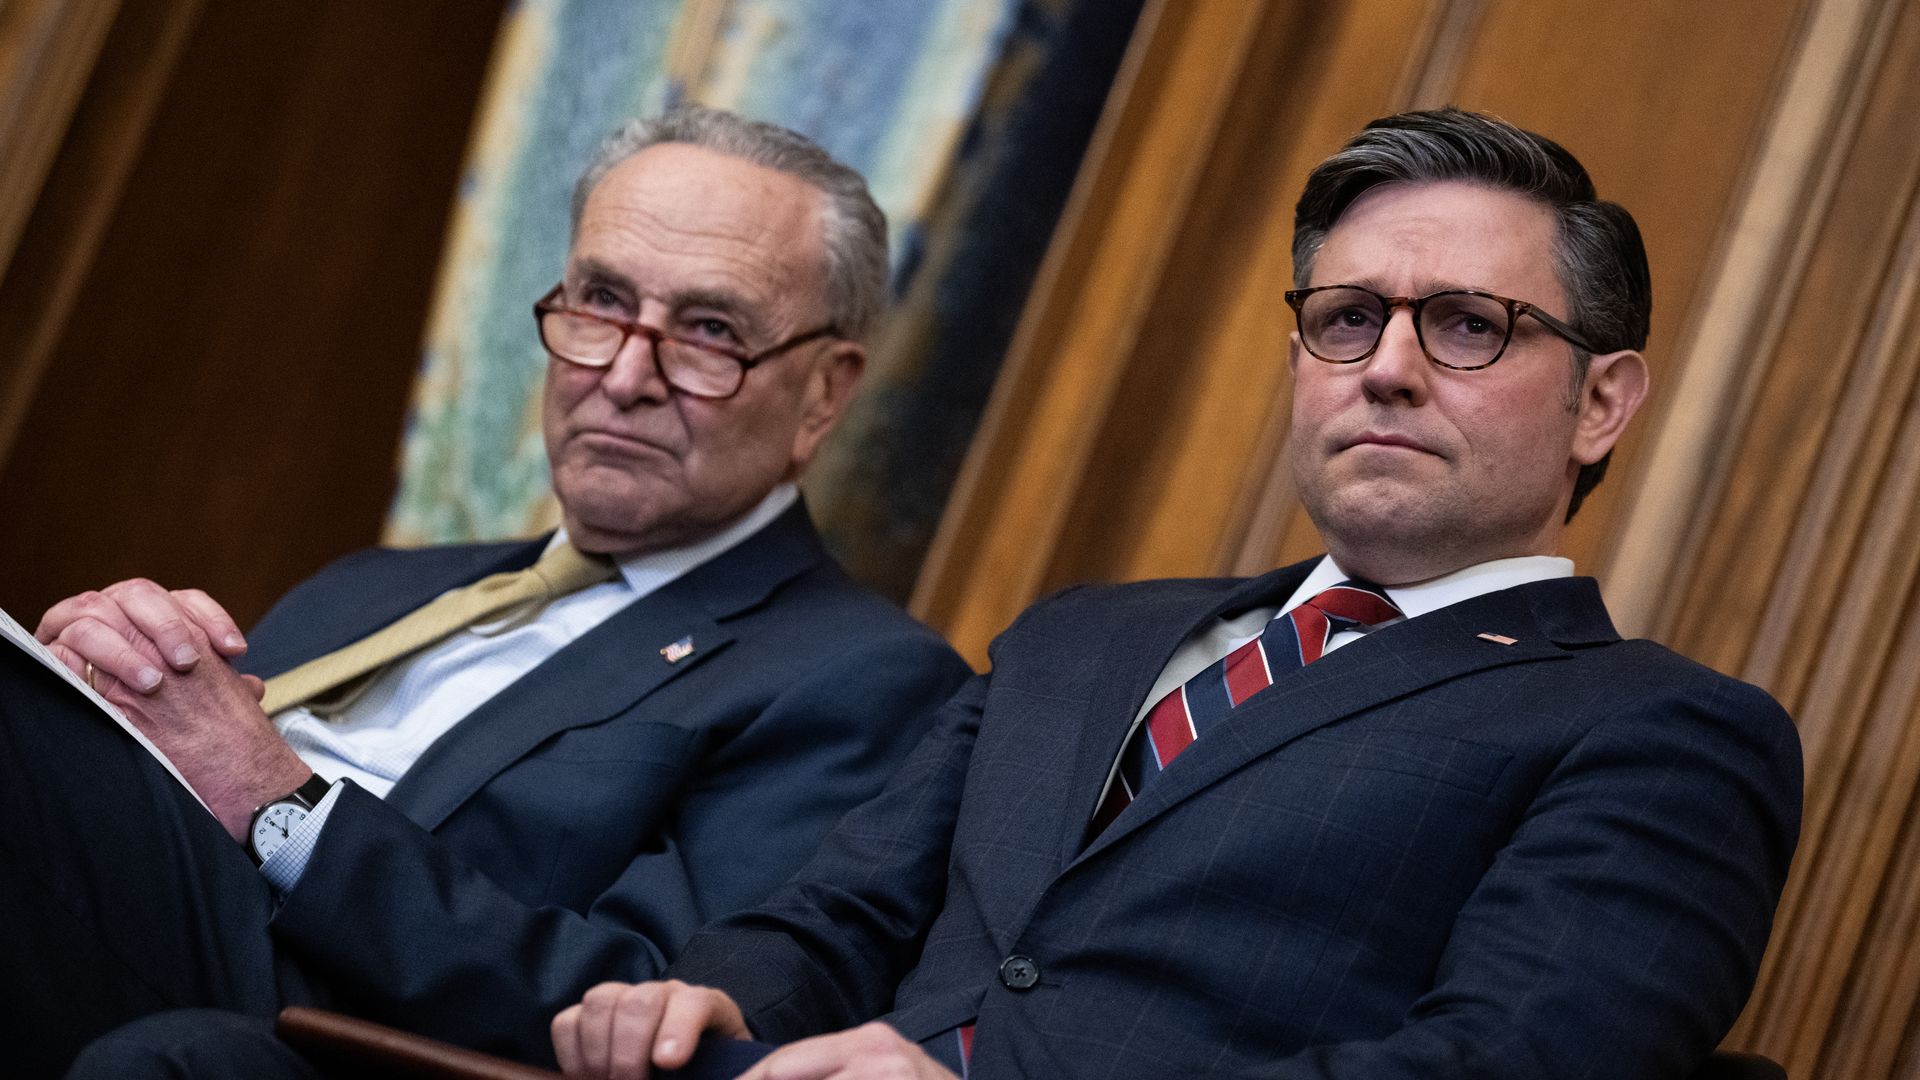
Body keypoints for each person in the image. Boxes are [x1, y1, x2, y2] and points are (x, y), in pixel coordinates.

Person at [545, 109, 1803, 1080]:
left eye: (1470, 325)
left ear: (1601, 401)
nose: (1390, 371)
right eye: (1348, 317)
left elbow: (1499, 1069)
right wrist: (711, 998)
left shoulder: (1660, 733)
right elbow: (840, 916)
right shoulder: (1081, 637)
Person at [10, 106, 971, 1076]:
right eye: (600, 303)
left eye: (709, 331)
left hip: (324, 1025)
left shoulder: (860, 677)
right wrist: (104, 704)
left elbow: (651, 1010)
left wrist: (278, 804)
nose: (626, 375)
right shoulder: (376, 585)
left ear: (824, 391)